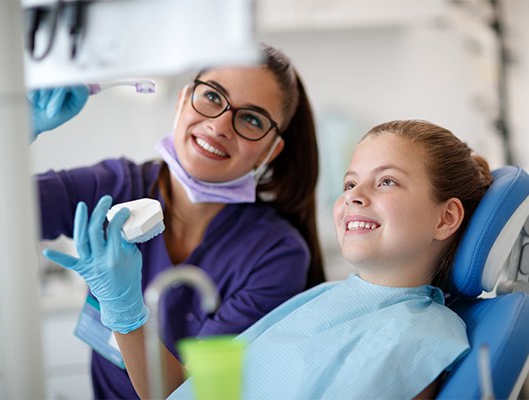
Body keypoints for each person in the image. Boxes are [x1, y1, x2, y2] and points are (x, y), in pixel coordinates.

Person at [45, 119, 493, 398]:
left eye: (387, 182)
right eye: (350, 183)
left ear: (446, 217)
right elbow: (189, 394)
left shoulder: (417, 336)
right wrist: (125, 311)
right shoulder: (325, 299)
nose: (354, 197)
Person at [32, 43, 325, 399]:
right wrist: (19, 127)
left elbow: (196, 395)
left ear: (269, 150)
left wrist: (126, 314)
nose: (220, 125)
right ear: (184, 99)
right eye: (213, 97)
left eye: (251, 119)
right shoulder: (113, 187)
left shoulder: (276, 255)